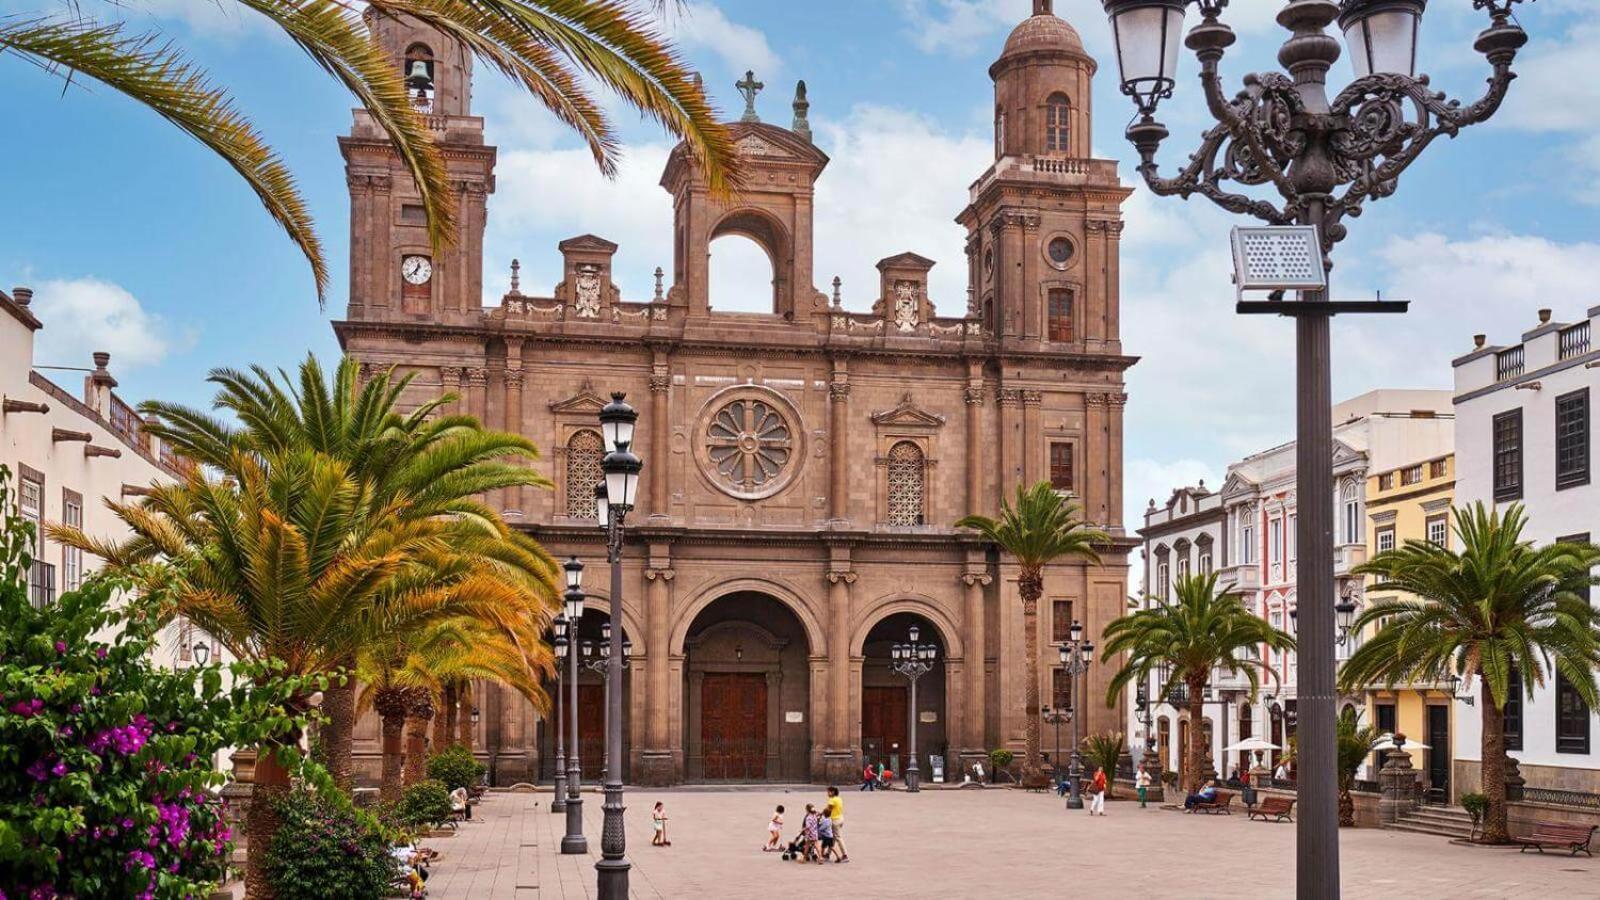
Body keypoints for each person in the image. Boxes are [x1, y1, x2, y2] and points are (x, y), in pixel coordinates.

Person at [823, 785, 849, 863]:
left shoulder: (832, 800)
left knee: (837, 837)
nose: (827, 793)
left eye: (828, 792)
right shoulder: (839, 799)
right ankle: (828, 854)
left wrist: (820, 815)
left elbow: (827, 810)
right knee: (833, 838)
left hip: (835, 821)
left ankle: (845, 855)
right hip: (840, 819)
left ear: (832, 792)